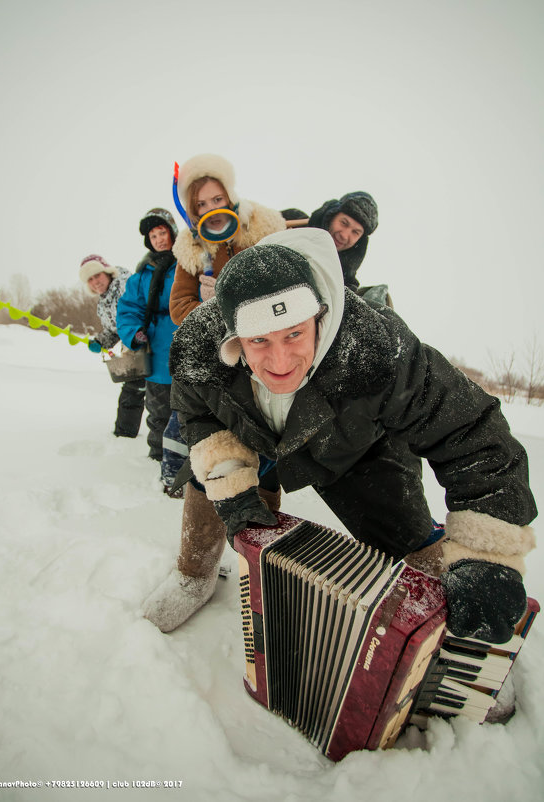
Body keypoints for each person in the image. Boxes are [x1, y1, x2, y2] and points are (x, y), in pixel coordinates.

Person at [143, 227, 537, 644]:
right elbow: (198, 412)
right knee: (210, 485)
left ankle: (454, 641)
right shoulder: (198, 346)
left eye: (294, 333)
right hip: (253, 435)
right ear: (232, 336)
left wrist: (487, 554)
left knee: (416, 549)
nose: (280, 361)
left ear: (320, 316)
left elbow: (472, 431)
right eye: (259, 340)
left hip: (352, 449)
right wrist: (227, 474)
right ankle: (193, 576)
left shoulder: (379, 349)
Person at [169, 153, 286, 325]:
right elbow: (179, 307)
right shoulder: (190, 247)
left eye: (217, 199)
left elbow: (289, 276)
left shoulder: (263, 225)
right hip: (228, 341)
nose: (211, 209)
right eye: (201, 204)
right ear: (193, 209)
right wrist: (216, 309)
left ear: (229, 197)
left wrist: (245, 303)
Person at [117, 208, 184, 493]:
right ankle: (158, 458)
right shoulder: (140, 275)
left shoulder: (188, 263)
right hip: (156, 354)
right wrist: (134, 333)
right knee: (158, 414)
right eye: (153, 235)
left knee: (187, 413)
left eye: (162, 233)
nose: (158, 239)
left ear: (172, 233)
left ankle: (186, 463)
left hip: (185, 350)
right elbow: (127, 309)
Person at [79, 254, 145, 438]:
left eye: (97, 276)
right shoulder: (104, 301)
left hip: (150, 343)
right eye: (90, 280)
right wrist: (101, 340)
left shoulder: (127, 285)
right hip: (135, 351)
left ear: (107, 272)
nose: (95, 282)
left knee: (157, 394)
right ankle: (124, 437)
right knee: (133, 390)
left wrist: (139, 335)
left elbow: (140, 313)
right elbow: (115, 329)